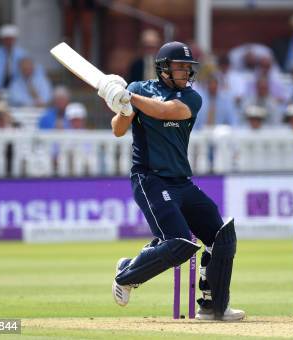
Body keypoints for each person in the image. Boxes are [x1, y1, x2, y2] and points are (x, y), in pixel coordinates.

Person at [95, 41, 245, 321]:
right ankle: (127, 275)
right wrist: (120, 104)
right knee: (178, 243)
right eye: (180, 67)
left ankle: (214, 306)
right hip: (149, 178)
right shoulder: (140, 89)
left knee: (222, 236)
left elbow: (165, 111)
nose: (187, 72)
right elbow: (118, 129)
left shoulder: (191, 98)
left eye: (189, 67)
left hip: (181, 182)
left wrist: (128, 96)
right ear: (163, 68)